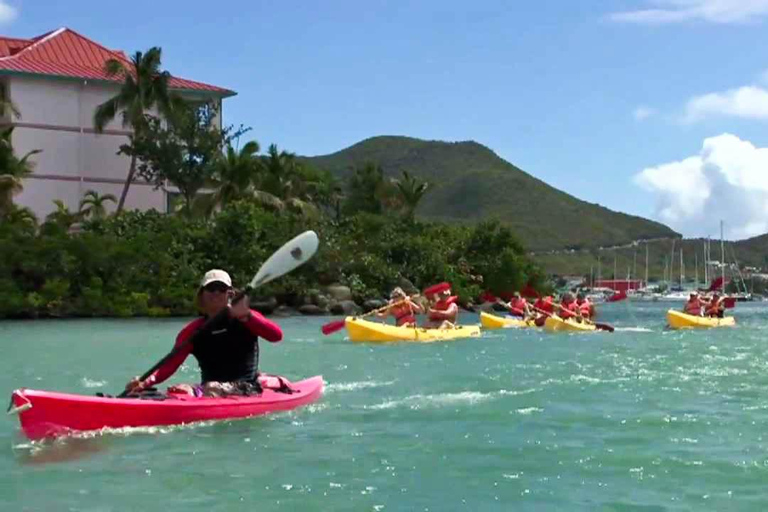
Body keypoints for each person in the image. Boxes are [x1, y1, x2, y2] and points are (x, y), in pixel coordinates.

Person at [124, 269, 284, 397]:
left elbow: (276, 336)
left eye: (221, 289)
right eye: (211, 288)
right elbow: (169, 365)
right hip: (210, 390)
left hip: (247, 388)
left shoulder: (246, 319)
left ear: (230, 294)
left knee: (211, 387)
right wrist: (146, 381)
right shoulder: (192, 331)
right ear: (201, 295)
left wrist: (246, 315)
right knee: (179, 389)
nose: (215, 293)